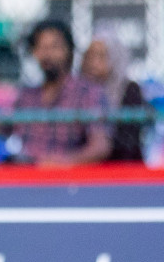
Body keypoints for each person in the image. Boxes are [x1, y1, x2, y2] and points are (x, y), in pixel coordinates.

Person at [12, 20, 110, 166]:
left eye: (54, 47)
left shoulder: (88, 93)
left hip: (68, 180)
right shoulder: (26, 96)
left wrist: (65, 162)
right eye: (41, 47)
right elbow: (1, 127)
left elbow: (100, 147)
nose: (47, 54)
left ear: (69, 50)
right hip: (25, 176)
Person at [81, 33, 146, 162]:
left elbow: (128, 143)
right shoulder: (78, 91)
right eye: (89, 56)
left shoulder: (129, 90)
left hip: (122, 168)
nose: (93, 63)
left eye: (101, 56)